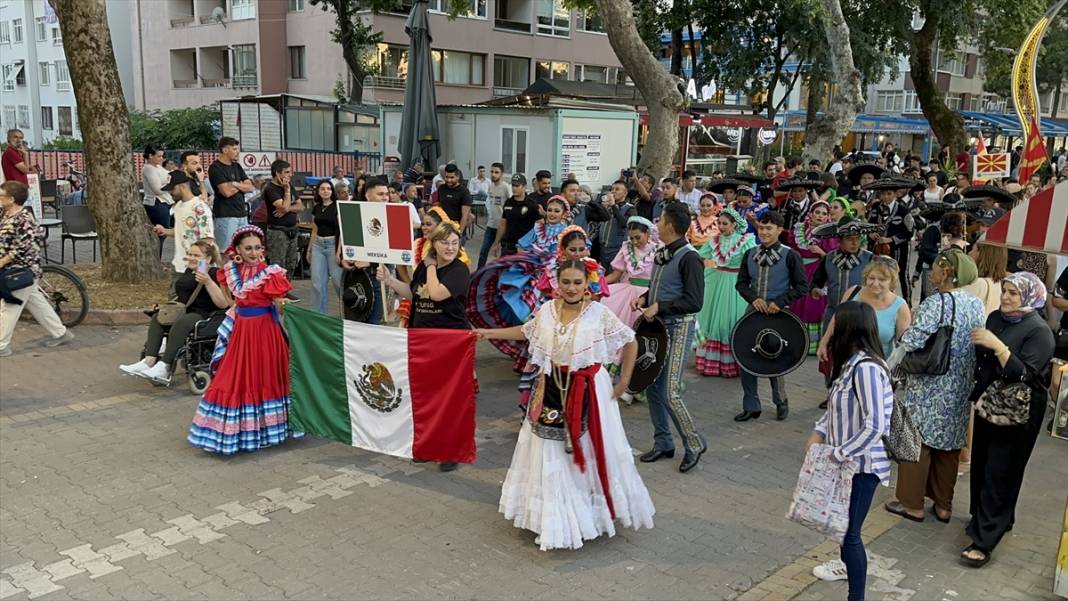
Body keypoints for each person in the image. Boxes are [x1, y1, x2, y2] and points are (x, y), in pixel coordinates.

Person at [476, 259, 655, 550]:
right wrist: (488, 333)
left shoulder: (599, 313)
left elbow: (630, 340)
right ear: (557, 283)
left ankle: (589, 512)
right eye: (566, 282)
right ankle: (553, 516)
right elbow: (527, 330)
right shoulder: (546, 311)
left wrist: (624, 381)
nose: (571, 288)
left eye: (577, 282)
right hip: (551, 388)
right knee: (549, 450)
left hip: (589, 391)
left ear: (588, 284)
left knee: (586, 450)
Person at [884, 249, 986, 522]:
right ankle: (943, 505)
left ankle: (912, 503)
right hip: (961, 382)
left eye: (934, 268)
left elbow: (913, 340)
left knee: (916, 441)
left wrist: (901, 339)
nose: (930, 272)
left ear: (946, 272)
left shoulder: (936, 303)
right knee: (949, 447)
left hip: (930, 383)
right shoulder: (975, 303)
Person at [963, 272, 1055, 567]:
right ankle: (991, 518)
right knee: (982, 463)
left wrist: (998, 346)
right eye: (1005, 291)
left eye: (1013, 294)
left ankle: (984, 540)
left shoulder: (1039, 331)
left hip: (1020, 411)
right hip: (991, 402)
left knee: (1001, 470)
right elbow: (984, 361)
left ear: (1029, 298)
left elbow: (1024, 373)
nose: (1005, 297)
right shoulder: (995, 318)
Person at [805, 301, 894, 599]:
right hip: (847, 464)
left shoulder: (866, 369)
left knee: (850, 534)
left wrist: (838, 454)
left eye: (836, 324)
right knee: (843, 529)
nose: (832, 329)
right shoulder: (851, 364)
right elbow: (835, 411)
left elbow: (875, 425)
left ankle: (856, 596)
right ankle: (847, 569)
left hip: (861, 466)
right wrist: (818, 433)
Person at [188, 226, 299, 455]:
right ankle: (234, 432)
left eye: (258, 247)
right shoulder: (230, 272)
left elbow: (280, 302)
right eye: (248, 248)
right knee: (236, 378)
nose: (254, 252)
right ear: (237, 249)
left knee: (264, 378)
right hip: (242, 332)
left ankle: (268, 431)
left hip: (266, 332)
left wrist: (282, 305)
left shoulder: (272, 273)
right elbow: (228, 303)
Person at [379, 221, 471, 471]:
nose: (450, 248)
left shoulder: (459, 270)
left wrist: (431, 266)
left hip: (449, 341)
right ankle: (430, 446)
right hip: (422, 338)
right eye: (445, 243)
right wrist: (389, 280)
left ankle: (451, 450)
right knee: (426, 396)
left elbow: (438, 293)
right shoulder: (424, 268)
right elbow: (414, 293)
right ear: (434, 244)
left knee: (449, 398)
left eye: (454, 243)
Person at [632, 202, 708, 472]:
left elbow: (694, 301)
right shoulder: (664, 252)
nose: (657, 224)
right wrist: (644, 298)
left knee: (670, 391)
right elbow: (659, 287)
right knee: (652, 386)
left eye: (661, 220)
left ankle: (694, 442)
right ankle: (663, 442)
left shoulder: (690, 257)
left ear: (671, 226)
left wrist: (660, 306)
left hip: (678, 328)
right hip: (658, 329)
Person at [734, 211, 810, 421]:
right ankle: (751, 404)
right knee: (746, 356)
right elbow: (741, 283)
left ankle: (780, 400)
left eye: (769, 228)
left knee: (776, 358)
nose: (764, 232)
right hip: (753, 313)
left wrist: (780, 302)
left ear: (779, 230)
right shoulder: (750, 254)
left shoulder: (790, 255)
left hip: (779, 315)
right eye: (761, 228)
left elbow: (802, 286)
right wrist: (753, 298)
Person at [120, 240, 229, 384]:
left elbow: (223, 303)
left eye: (196, 255)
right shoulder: (189, 271)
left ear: (208, 259)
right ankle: (149, 361)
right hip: (183, 310)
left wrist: (208, 282)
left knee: (182, 323)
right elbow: (182, 295)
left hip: (204, 314)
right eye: (190, 254)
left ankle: (165, 366)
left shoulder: (214, 273)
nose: (191, 258)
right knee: (158, 318)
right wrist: (165, 307)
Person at [0, 181, 73, 357]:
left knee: (9, 305)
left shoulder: (24, 218)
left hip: (21, 269)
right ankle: (61, 333)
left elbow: (23, 247)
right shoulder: (4, 213)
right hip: (15, 269)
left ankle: (2, 345)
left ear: (12, 199)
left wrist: (2, 261)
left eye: (1, 195)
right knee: (36, 302)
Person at [694, 207, 756, 377]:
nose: (721, 227)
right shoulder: (714, 240)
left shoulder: (745, 240)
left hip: (735, 283)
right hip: (716, 280)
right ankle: (712, 362)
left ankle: (732, 363)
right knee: (711, 320)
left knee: (729, 321)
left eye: (725, 223)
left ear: (734, 224)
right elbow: (700, 255)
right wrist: (707, 264)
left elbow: (752, 261)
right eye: (719, 223)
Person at [818, 259, 910, 365]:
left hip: (877, 368)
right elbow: (836, 319)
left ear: (892, 282)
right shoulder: (853, 292)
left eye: (882, 279)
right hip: (844, 362)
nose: (875, 283)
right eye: (871, 278)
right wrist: (824, 342)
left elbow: (902, 346)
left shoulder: (900, 307)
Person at [152, 170, 214, 293]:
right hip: (179, 263)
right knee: (175, 299)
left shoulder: (199, 207)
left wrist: (202, 269)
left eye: (172, 189)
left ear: (183, 186)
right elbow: (182, 230)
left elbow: (207, 240)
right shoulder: (178, 206)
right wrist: (164, 231)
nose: (170, 192)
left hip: (195, 266)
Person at [788, 200, 835, 353]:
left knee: (815, 305)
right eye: (817, 212)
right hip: (800, 270)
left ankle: (815, 345)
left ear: (828, 216)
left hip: (818, 271)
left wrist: (821, 253)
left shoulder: (829, 232)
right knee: (799, 303)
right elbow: (791, 249)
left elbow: (834, 257)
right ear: (811, 214)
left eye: (824, 213)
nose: (820, 216)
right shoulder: (800, 229)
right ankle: (798, 340)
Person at [603, 216, 661, 328]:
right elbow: (616, 274)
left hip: (647, 294)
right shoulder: (626, 248)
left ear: (647, 233)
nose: (635, 242)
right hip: (626, 293)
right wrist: (599, 282)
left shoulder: (659, 249)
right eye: (632, 238)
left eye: (638, 237)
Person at [208, 137, 253, 250]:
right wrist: (241, 185)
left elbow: (250, 187)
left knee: (243, 249)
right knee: (226, 251)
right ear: (225, 150)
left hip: (242, 214)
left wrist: (235, 184)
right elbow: (226, 192)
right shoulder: (215, 167)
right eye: (234, 149)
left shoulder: (237, 166)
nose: (237, 152)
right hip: (226, 215)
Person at [306, 180, 343, 314]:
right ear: (318, 191)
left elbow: (341, 231)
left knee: (338, 281)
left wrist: (339, 251)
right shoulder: (317, 207)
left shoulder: (337, 206)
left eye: (328, 189)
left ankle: (348, 313)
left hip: (333, 244)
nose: (326, 191)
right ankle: (319, 316)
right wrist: (309, 249)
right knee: (317, 283)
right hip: (318, 245)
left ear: (332, 191)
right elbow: (314, 229)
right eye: (322, 189)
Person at [262, 160, 303, 276]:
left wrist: (289, 209)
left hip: (293, 230)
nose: (290, 174)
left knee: (291, 264)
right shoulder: (271, 189)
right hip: (278, 232)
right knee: (278, 266)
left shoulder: (290, 185)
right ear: (278, 173)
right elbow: (283, 207)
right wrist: (287, 191)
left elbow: (300, 207)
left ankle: (286, 289)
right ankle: (276, 292)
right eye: (287, 172)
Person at [492, 173, 538, 257]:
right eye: (513, 185)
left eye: (517, 186)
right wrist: (496, 243)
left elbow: (539, 226)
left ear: (524, 187)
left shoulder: (532, 205)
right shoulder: (508, 202)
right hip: (508, 246)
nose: (514, 188)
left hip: (524, 247)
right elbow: (502, 224)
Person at [597, 180, 636, 273]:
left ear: (625, 193)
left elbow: (624, 224)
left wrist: (613, 205)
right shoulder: (608, 207)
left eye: (617, 189)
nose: (613, 191)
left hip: (617, 249)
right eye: (612, 189)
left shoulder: (630, 208)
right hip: (603, 249)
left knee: (613, 277)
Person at [477, 163, 509, 269]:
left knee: (500, 256)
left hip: (503, 227)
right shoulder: (490, 186)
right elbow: (490, 204)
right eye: (492, 172)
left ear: (502, 174)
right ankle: (478, 274)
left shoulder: (506, 188)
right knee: (483, 252)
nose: (493, 174)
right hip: (491, 225)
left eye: (496, 172)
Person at [961, 243, 1007, 316]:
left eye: (973, 250)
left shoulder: (977, 284)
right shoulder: (1001, 283)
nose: (969, 253)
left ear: (981, 254)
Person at [141, 144, 173, 229]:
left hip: (164, 202)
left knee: (164, 230)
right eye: (159, 156)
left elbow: (169, 176)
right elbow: (158, 190)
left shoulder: (158, 167)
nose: (162, 158)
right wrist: (170, 186)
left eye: (162, 156)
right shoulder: (148, 168)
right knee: (162, 231)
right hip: (156, 203)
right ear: (150, 155)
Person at [436, 164, 472, 234]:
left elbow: (465, 215)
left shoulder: (464, 192)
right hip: (443, 229)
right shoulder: (441, 188)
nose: (449, 180)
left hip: (456, 229)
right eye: (447, 177)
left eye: (452, 177)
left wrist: (460, 233)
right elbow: (439, 206)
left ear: (457, 177)